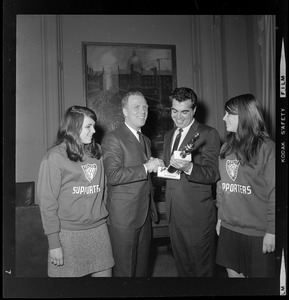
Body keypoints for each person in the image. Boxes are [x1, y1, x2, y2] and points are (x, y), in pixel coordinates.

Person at [37, 105, 114, 277]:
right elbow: (47, 204)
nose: (94, 130)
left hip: (98, 231)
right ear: (73, 127)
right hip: (68, 235)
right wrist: (54, 244)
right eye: (88, 126)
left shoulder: (98, 152)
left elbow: (106, 190)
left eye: (94, 126)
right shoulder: (54, 157)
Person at [101, 91, 164, 277]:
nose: (143, 111)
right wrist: (146, 167)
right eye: (136, 107)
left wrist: (154, 166)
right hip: (124, 218)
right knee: (125, 272)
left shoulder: (145, 140)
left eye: (145, 107)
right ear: (124, 111)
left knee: (141, 270)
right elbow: (113, 175)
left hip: (144, 214)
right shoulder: (113, 138)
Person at [215, 93, 275, 278]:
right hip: (229, 228)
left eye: (229, 114)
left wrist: (272, 231)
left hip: (257, 232)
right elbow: (222, 186)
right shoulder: (226, 148)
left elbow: (276, 192)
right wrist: (220, 218)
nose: (224, 118)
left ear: (245, 116)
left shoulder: (267, 147)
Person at [163, 87, 221, 277]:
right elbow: (171, 172)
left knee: (202, 272)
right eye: (174, 111)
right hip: (174, 213)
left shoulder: (208, 133)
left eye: (184, 112)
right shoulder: (169, 135)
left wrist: (188, 168)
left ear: (194, 110)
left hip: (197, 216)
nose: (178, 117)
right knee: (182, 269)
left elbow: (213, 173)